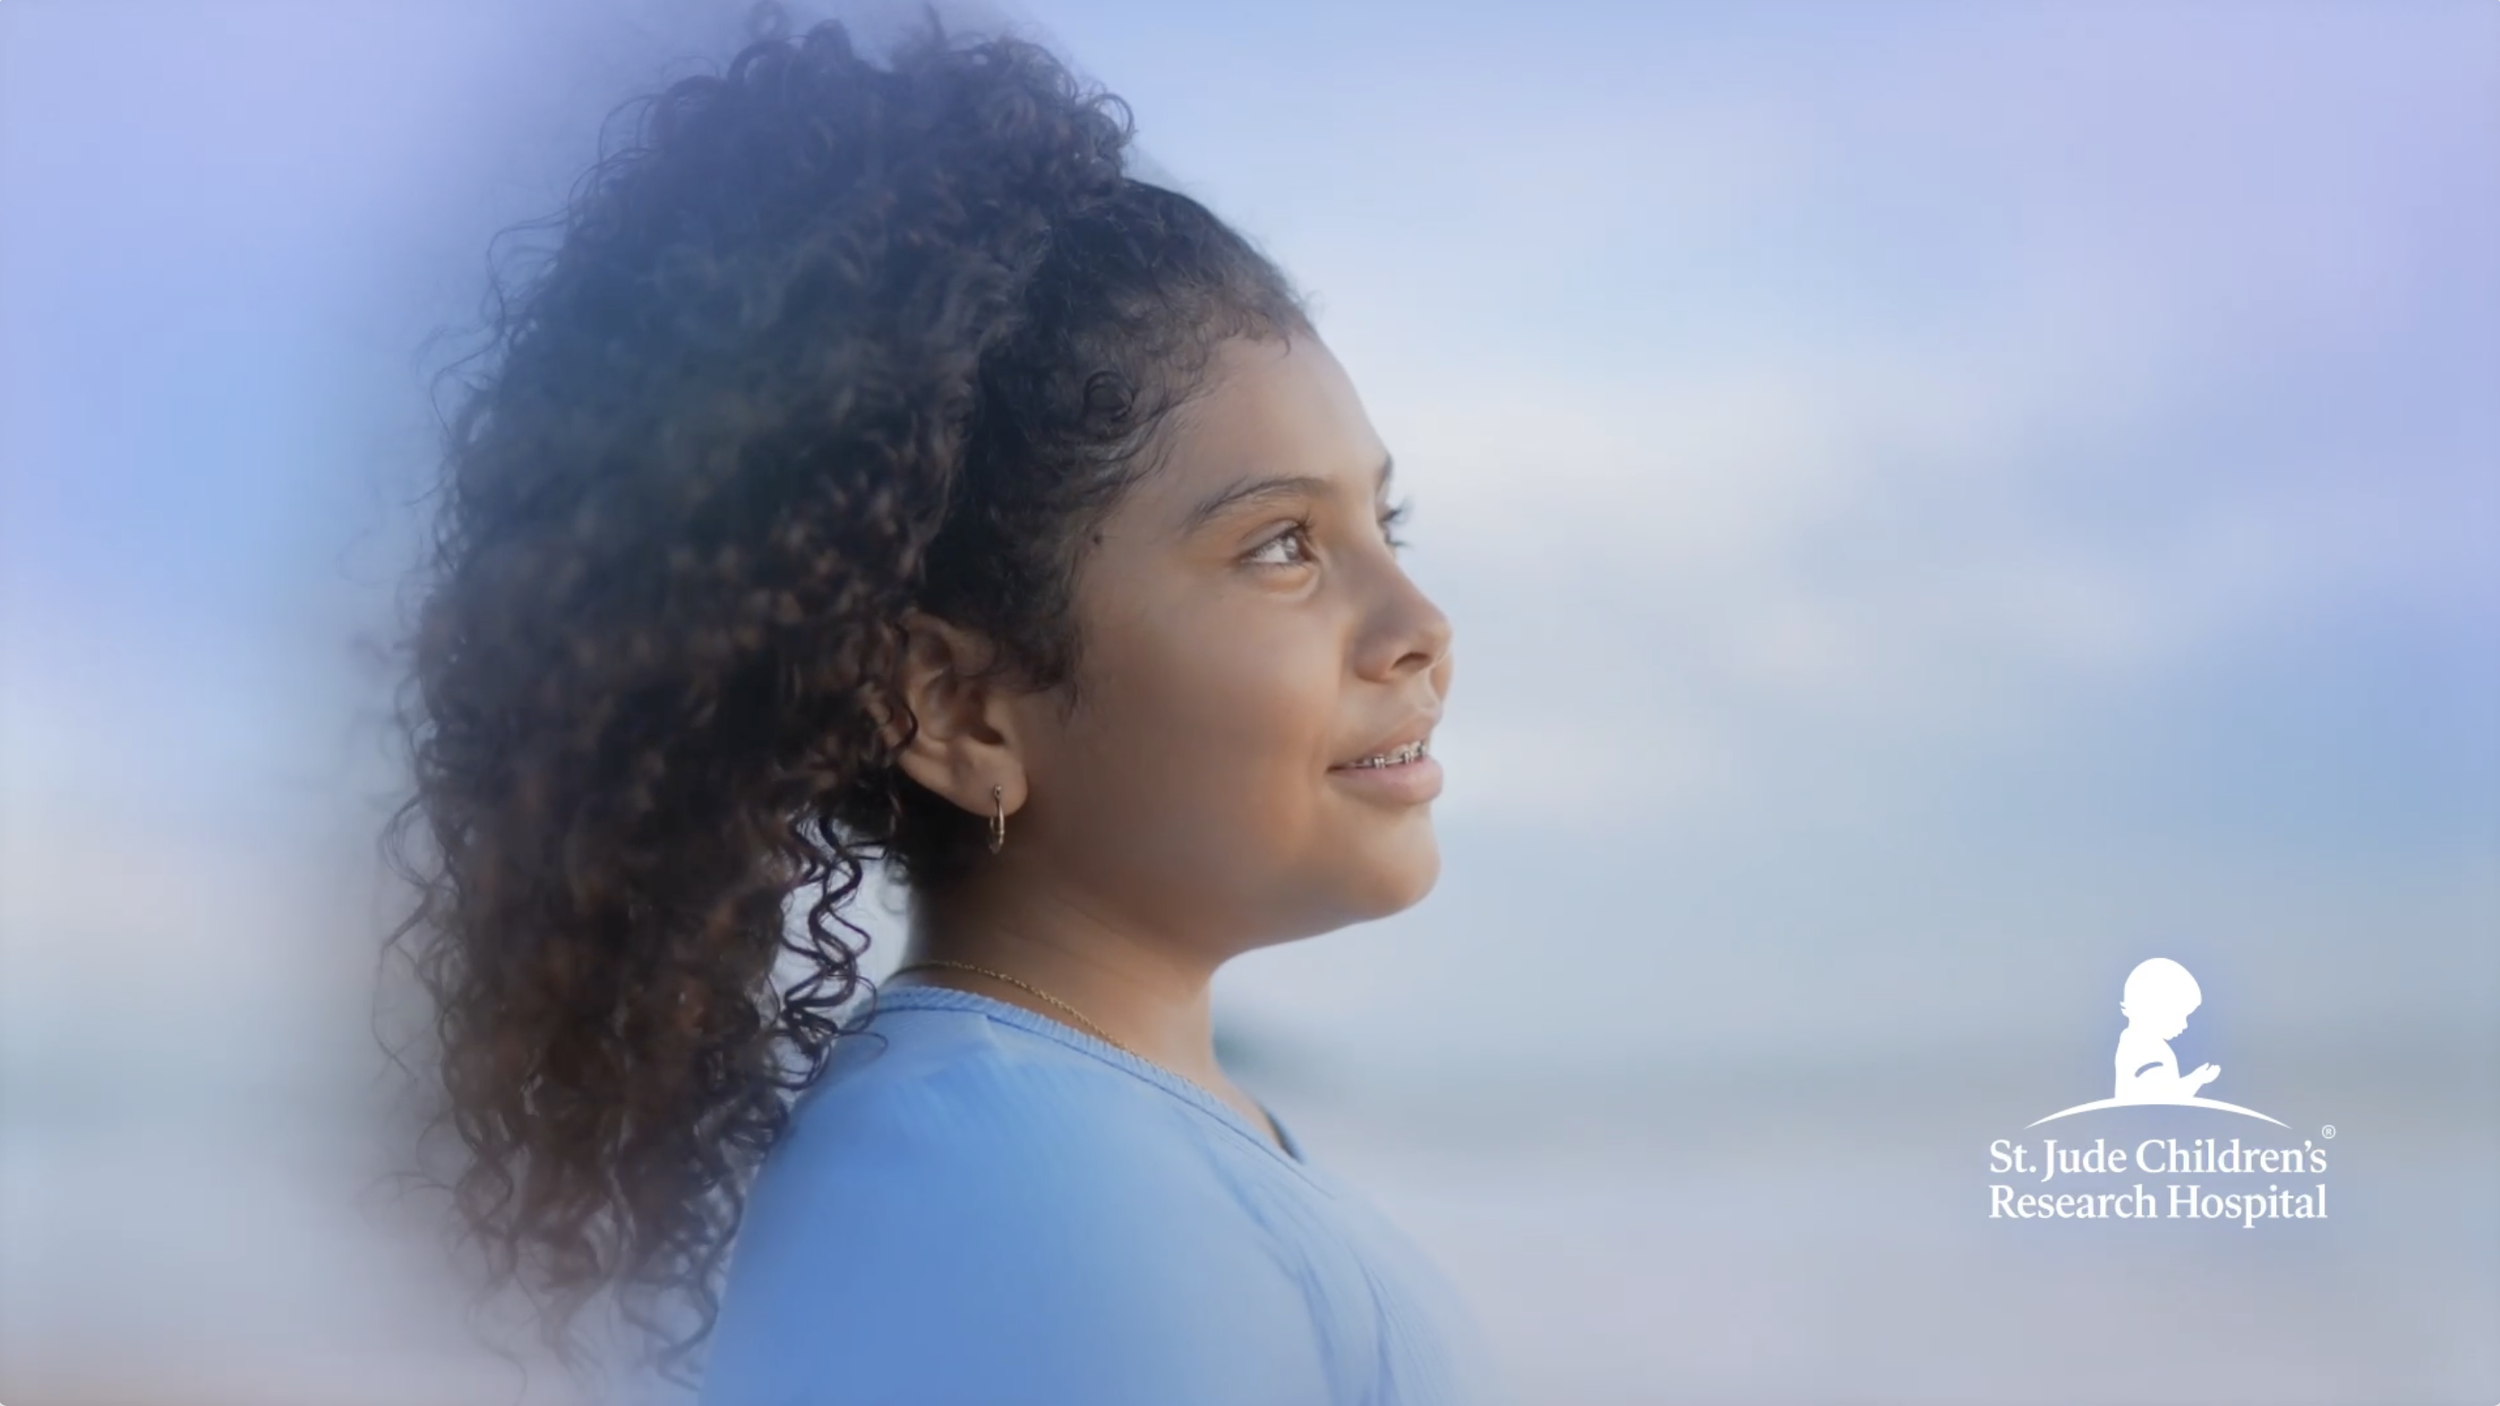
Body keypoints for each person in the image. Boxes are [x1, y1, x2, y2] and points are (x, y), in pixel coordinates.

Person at [383, 9, 1514, 1403]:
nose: (1419, 626)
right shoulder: (1039, 1203)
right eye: (1280, 544)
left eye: (1383, 520)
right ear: (960, 706)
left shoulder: (1071, 1141)